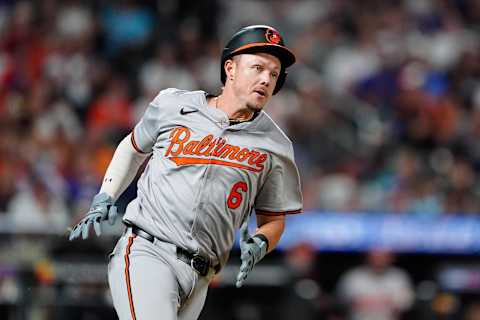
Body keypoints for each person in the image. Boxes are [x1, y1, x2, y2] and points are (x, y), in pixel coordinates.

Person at [68, 25, 303, 320]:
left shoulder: (276, 145)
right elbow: (133, 147)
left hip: (202, 276)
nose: (266, 79)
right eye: (258, 67)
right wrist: (106, 194)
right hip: (148, 251)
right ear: (230, 68)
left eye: (274, 73)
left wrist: (263, 241)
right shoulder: (174, 105)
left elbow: (273, 220)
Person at [336, 249, 414, 320]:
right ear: (368, 257)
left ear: (391, 258)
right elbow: (341, 303)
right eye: (375, 256)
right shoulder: (353, 276)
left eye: (383, 256)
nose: (379, 260)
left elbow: (405, 305)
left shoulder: (399, 276)